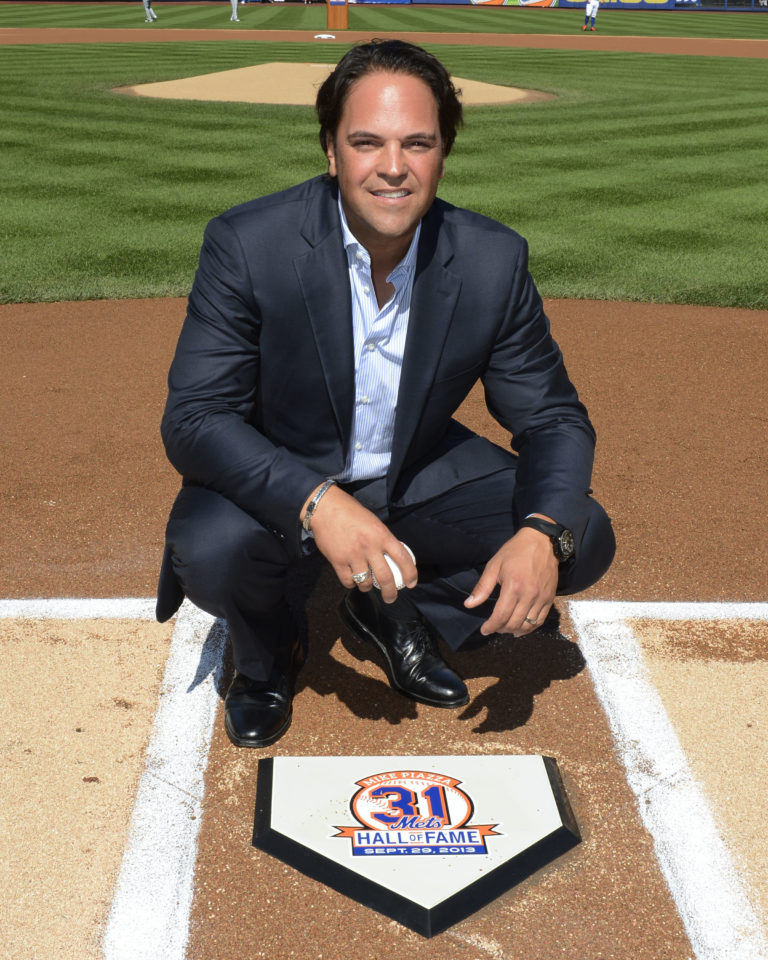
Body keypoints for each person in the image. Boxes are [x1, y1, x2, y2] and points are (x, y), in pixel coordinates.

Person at [156, 39, 615, 749]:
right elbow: (194, 416)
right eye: (366, 142)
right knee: (213, 549)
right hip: (284, 471)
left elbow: (553, 417)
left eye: (417, 144)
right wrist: (317, 501)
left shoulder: (492, 260)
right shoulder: (249, 244)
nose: (393, 167)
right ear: (332, 152)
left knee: (579, 532)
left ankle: (401, 614)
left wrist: (539, 532)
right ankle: (269, 649)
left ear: (443, 152)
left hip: (412, 473)